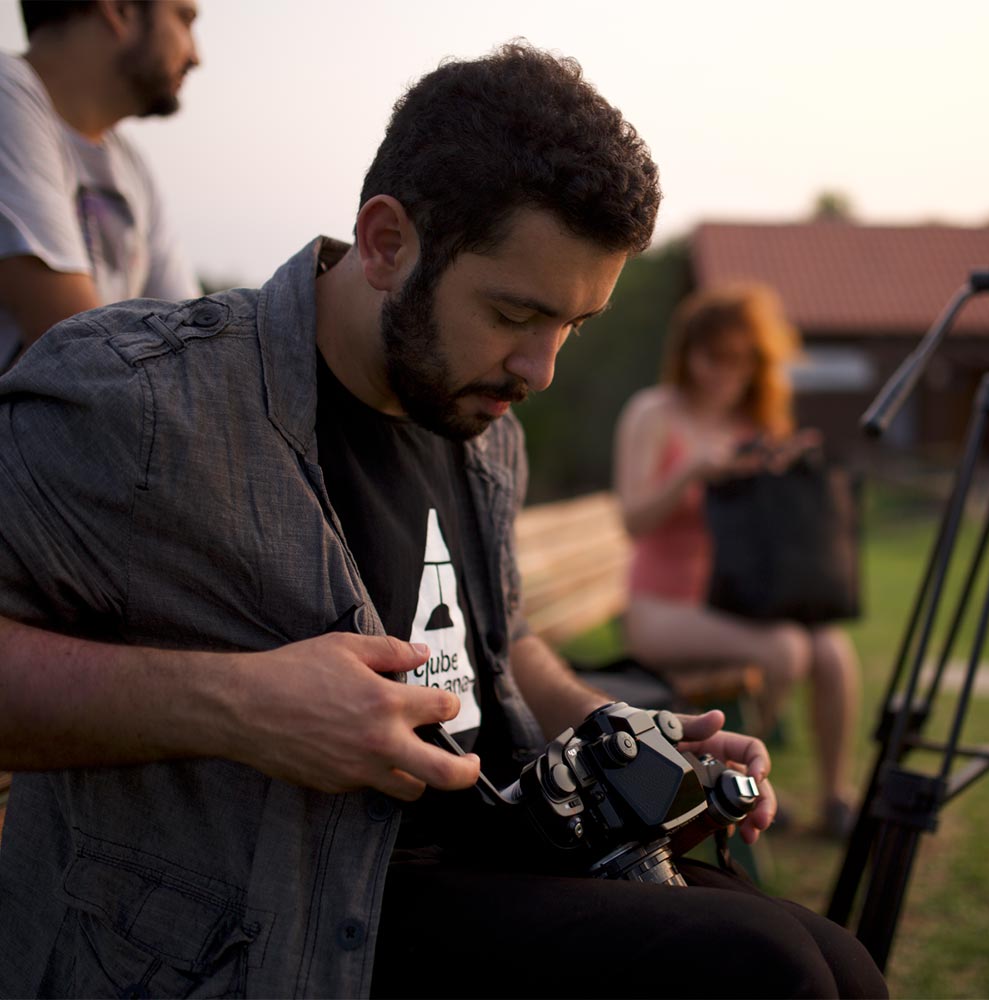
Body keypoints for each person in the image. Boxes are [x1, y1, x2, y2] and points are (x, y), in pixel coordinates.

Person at [0, 44, 886, 999]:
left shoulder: (479, 420)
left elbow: (502, 652)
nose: (541, 370)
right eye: (515, 313)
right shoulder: (140, 403)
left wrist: (635, 737)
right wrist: (246, 706)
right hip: (290, 925)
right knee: (770, 971)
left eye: (574, 328)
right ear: (386, 243)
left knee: (837, 962)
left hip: (497, 854)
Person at [613, 283, 861, 839]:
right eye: (715, 357)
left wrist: (785, 473)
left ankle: (835, 796)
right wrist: (690, 472)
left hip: (739, 601)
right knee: (785, 647)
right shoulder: (655, 412)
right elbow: (633, 521)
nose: (727, 373)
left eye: (743, 360)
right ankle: (739, 779)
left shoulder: (753, 425)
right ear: (688, 353)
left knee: (833, 650)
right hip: (661, 607)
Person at [0, 0, 201, 371]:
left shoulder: (132, 166)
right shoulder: (5, 93)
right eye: (184, 19)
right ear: (120, 9)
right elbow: (79, 350)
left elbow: (192, 348)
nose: (196, 55)